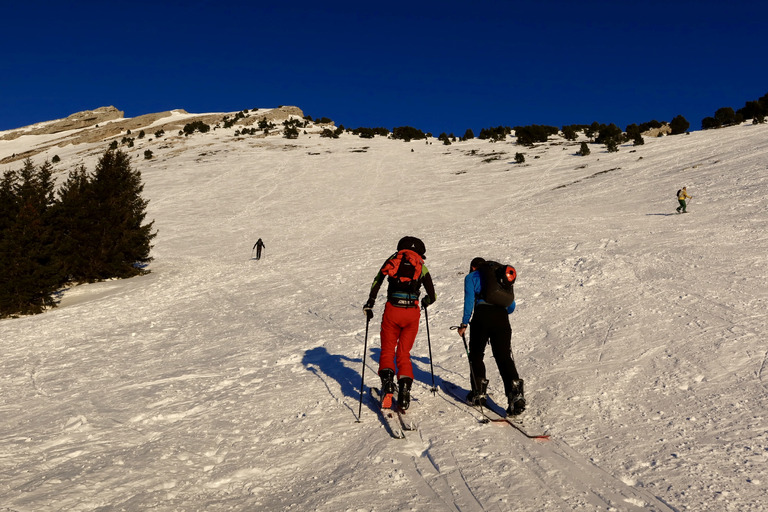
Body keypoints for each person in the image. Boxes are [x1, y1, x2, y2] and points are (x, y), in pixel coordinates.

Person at [363, 236, 436, 410]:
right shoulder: (421, 265)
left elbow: (377, 280)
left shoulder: (393, 260)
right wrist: (424, 301)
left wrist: (370, 303)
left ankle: (388, 384)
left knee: (388, 350)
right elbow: (432, 296)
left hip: (392, 310)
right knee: (403, 353)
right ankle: (404, 389)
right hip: (412, 313)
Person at [457, 257, 525, 416]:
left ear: (473, 267)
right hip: (501, 319)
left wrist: (464, 323)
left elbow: (469, 302)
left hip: (481, 317)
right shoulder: (498, 277)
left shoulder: (471, 277)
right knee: (504, 358)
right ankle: (516, 396)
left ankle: (478, 393)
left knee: (476, 354)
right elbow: (511, 306)